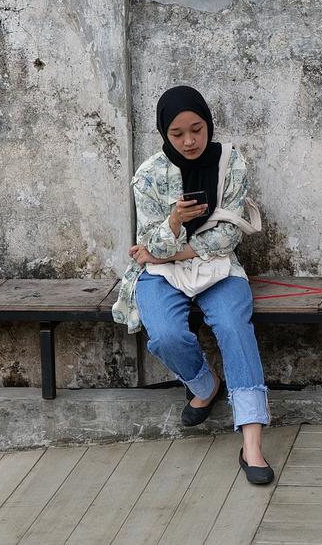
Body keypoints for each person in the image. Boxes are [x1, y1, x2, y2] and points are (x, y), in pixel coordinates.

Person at [110, 85, 273, 484]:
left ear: (208, 124)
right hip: (161, 275)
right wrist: (175, 222)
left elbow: (229, 237)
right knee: (164, 334)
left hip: (219, 268)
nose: (189, 141)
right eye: (177, 133)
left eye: (197, 129)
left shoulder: (231, 163)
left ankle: (252, 443)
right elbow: (149, 244)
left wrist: (175, 251)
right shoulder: (148, 176)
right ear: (165, 133)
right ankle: (204, 383)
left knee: (234, 328)